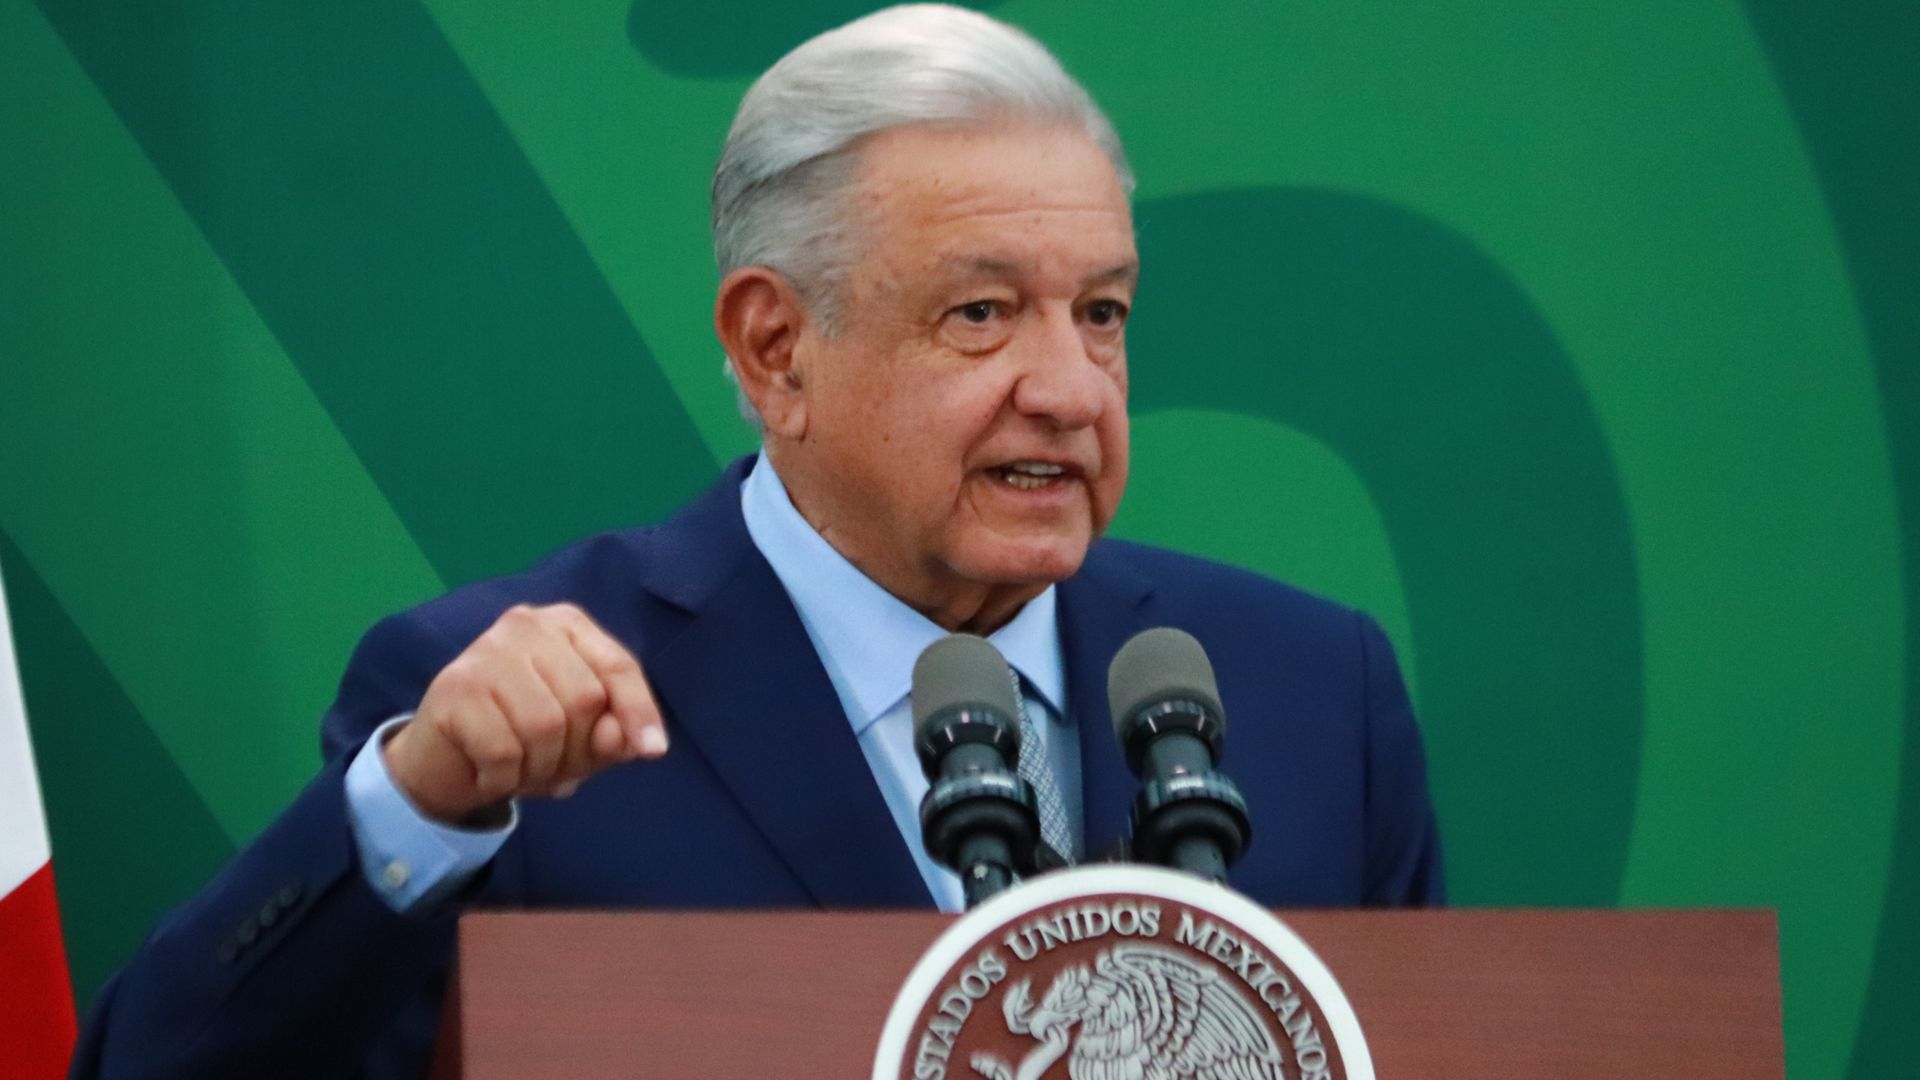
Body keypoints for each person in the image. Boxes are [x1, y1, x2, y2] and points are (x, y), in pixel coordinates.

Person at [70, 5, 1442, 1077]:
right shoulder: (513, 726)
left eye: (1102, 312)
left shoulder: (1312, 691)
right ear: (776, 348)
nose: (1073, 388)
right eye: (981, 314)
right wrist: (416, 809)